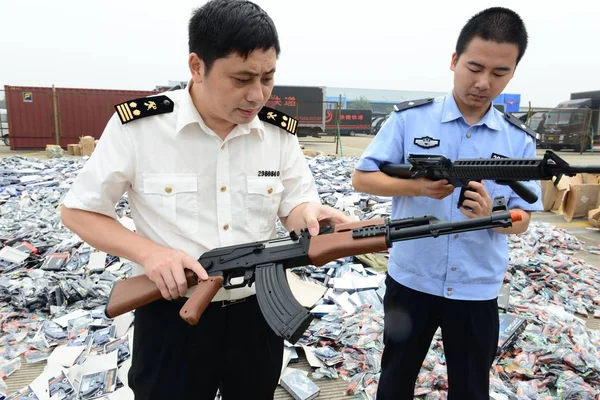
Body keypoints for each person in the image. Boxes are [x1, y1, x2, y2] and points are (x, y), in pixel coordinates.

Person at [60, 1, 351, 399]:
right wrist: (150, 254)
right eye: (242, 78)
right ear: (197, 66)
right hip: (173, 314)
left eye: (268, 78)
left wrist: (310, 215)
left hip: (258, 312)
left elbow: (295, 207)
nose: (257, 94)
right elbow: (79, 211)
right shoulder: (142, 128)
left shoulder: (277, 134)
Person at [352, 7, 543, 400]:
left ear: (513, 72)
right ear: (454, 60)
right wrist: (418, 188)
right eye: (474, 67)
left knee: (472, 389)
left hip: (476, 287)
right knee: (394, 381)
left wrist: (494, 216)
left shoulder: (517, 140)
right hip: (412, 279)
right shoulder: (410, 121)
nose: (483, 82)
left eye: (499, 73)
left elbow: (524, 218)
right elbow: (362, 177)